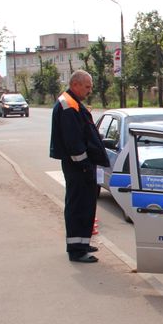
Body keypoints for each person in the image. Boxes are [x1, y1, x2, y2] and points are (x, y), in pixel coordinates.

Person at [49, 70, 109, 263]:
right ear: (75, 84)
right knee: (78, 207)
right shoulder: (68, 105)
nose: (90, 90)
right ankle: (76, 250)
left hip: (83, 165)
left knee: (87, 205)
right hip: (78, 167)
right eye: (87, 86)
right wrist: (84, 166)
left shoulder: (73, 103)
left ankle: (82, 243)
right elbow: (73, 143)